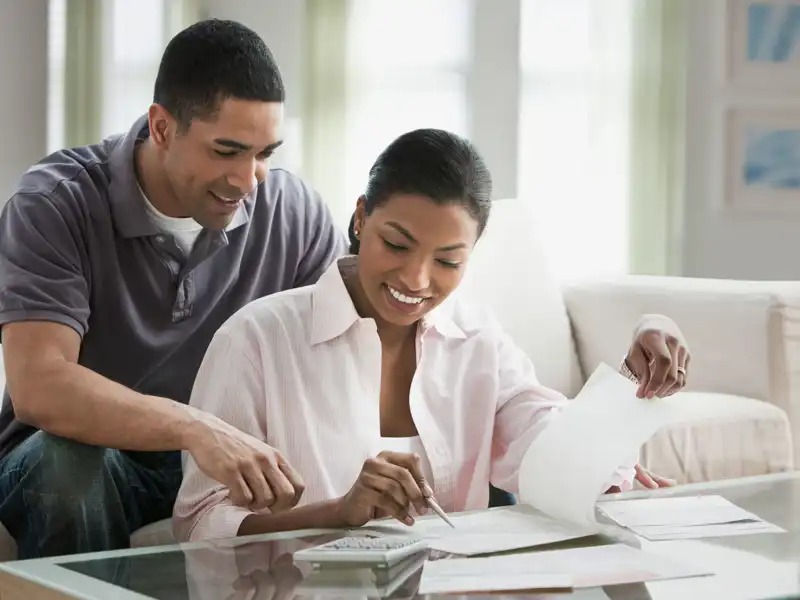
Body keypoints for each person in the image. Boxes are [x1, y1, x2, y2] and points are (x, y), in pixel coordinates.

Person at [173, 128, 689, 543]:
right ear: (360, 217)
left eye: (447, 261)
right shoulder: (258, 340)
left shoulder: (479, 341)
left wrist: (636, 366)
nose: (416, 281)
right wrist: (337, 513)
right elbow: (200, 524)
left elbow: (550, 453)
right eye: (396, 244)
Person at [0, 19, 347, 559]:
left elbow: (334, 361)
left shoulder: (294, 214)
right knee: (65, 467)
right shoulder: (54, 203)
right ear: (162, 128)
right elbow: (40, 386)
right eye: (226, 150)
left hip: (229, 459)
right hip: (85, 455)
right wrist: (195, 428)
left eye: (264, 154)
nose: (248, 180)